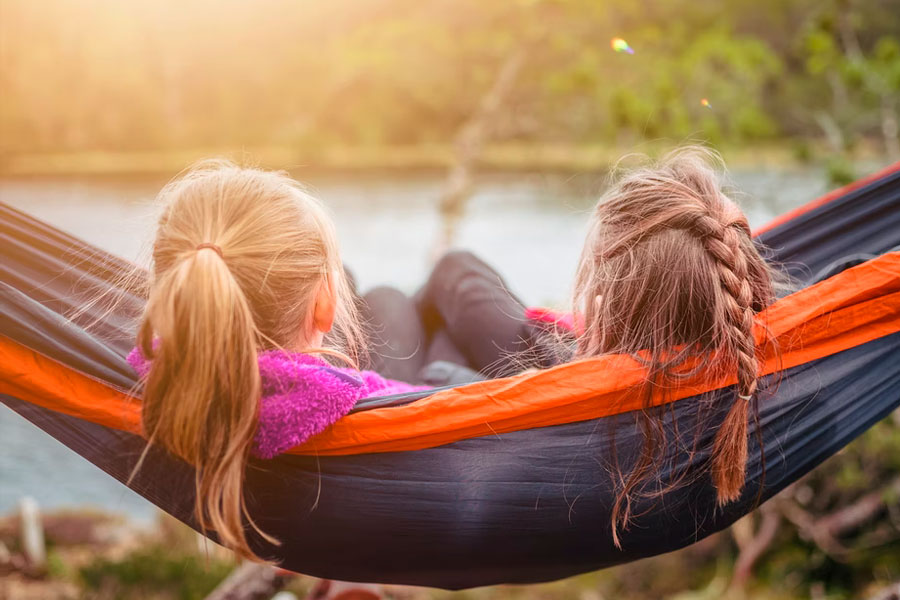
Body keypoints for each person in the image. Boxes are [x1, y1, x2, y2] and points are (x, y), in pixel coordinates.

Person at [127, 160, 426, 559]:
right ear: (325, 305)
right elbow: (442, 401)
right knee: (427, 283)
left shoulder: (157, 376)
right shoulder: (364, 399)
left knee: (369, 287)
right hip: (413, 422)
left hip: (299, 514)